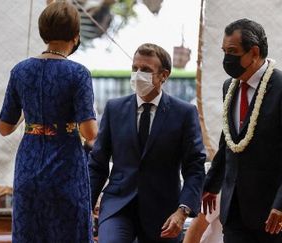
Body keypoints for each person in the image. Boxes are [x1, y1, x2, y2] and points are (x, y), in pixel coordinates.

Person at [202, 18, 282, 243]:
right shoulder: (229, 86)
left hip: (275, 214)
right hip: (236, 212)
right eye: (224, 51)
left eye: (232, 51)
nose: (227, 58)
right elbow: (229, 140)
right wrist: (211, 184)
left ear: (254, 52)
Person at [0, 2, 98, 242]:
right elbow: (90, 131)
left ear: (44, 33)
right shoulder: (79, 73)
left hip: (28, 164)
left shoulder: (20, 71)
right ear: (76, 36)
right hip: (66, 166)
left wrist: (31, 110)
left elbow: (4, 128)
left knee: (30, 232)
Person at [88, 43, 206, 243]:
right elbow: (97, 164)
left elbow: (195, 167)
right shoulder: (114, 109)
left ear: (164, 75)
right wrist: (86, 206)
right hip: (118, 206)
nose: (138, 74)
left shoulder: (184, 113)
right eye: (135, 68)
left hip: (164, 213)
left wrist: (182, 211)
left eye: (146, 70)